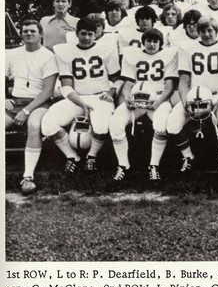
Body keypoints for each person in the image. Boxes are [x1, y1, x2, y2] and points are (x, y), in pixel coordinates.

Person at [41, 18, 121, 174]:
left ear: (96, 34)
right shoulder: (65, 51)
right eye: (83, 34)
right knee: (48, 123)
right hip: (76, 98)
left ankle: (92, 156)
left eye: (90, 34)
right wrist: (83, 105)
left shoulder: (106, 48)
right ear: (76, 34)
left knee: (101, 125)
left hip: (100, 96)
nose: (86, 38)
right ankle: (72, 157)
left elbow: (117, 79)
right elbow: (66, 85)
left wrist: (111, 93)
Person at [166, 16, 218, 175]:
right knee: (172, 126)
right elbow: (184, 80)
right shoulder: (187, 48)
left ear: (216, 32)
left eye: (210, 30)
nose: (206, 34)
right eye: (202, 31)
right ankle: (188, 157)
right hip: (194, 97)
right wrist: (186, 102)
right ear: (198, 32)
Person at [109, 28, 178, 181]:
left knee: (160, 127)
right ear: (143, 42)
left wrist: (158, 102)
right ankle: (123, 166)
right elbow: (128, 82)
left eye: (155, 41)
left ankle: (154, 166)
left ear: (161, 44)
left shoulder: (168, 55)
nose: (152, 44)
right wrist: (127, 98)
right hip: (137, 98)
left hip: (159, 98)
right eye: (149, 41)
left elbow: (170, 86)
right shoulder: (133, 55)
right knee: (115, 124)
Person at [5, 20, 59, 195]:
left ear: (40, 34)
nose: (29, 34)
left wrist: (26, 110)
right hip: (15, 101)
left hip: (39, 102)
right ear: (21, 34)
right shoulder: (11, 54)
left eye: (33, 31)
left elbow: (48, 90)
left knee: (34, 126)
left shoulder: (48, 56)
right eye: (25, 31)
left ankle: (28, 177)